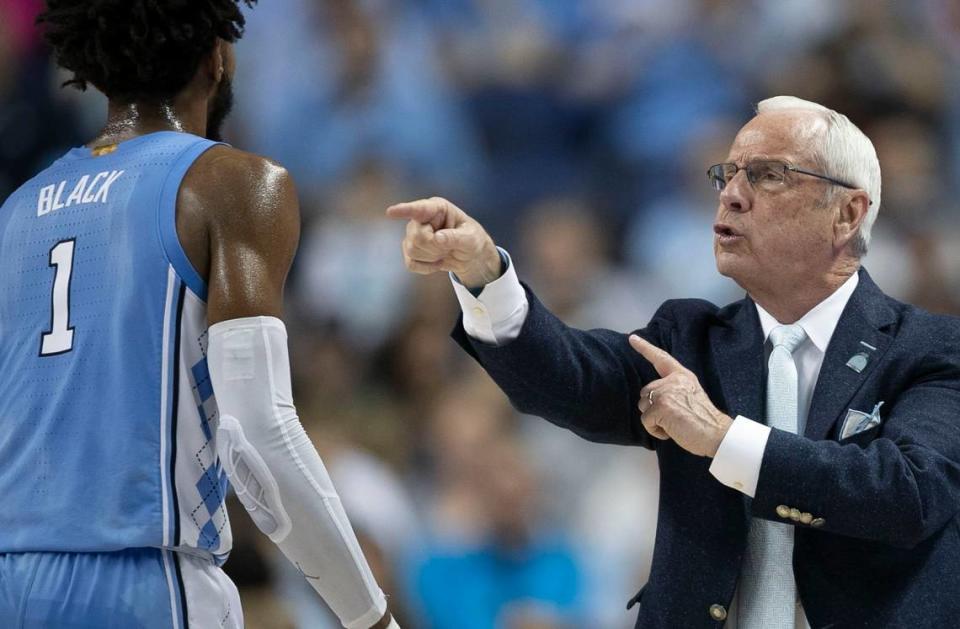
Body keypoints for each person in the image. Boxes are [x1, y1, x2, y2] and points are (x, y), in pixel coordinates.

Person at [387, 96, 960, 628]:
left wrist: (722, 439)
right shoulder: (690, 338)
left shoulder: (930, 348)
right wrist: (486, 273)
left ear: (847, 213)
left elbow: (907, 495)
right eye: (727, 174)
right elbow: (570, 377)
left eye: (767, 175)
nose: (731, 194)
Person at [0, 1, 397, 628]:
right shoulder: (231, 183)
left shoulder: (16, 212)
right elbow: (259, 432)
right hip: (145, 582)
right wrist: (370, 617)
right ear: (219, 57)